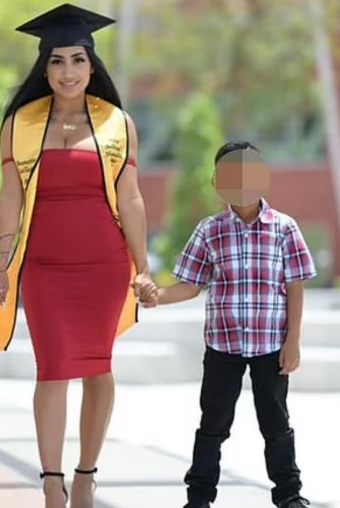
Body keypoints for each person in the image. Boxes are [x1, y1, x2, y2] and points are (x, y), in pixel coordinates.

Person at [0, 4, 152, 507]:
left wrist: (144, 267)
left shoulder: (119, 123)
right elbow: (9, 197)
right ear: (43, 68)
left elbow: (131, 197)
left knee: (98, 366)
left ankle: (86, 475)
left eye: (76, 60)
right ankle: (51, 481)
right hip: (44, 267)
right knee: (51, 369)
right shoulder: (20, 123)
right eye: (56, 61)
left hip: (106, 265)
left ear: (93, 67)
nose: (67, 72)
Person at [140, 141, 314, 508]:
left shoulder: (285, 229)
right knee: (213, 425)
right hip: (223, 347)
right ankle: (199, 497)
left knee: (276, 424)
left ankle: (289, 494)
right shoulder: (210, 231)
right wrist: (156, 296)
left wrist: (293, 341)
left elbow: (295, 287)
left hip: (271, 346)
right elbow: (190, 285)